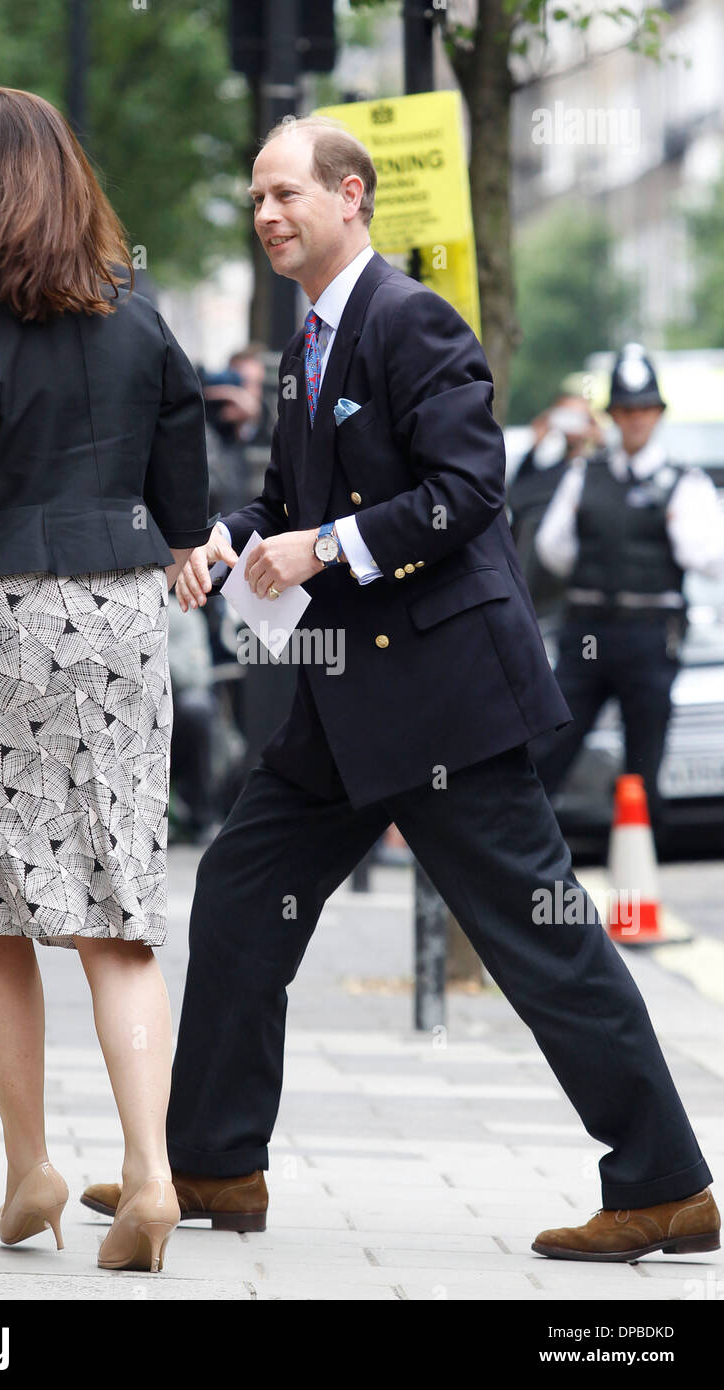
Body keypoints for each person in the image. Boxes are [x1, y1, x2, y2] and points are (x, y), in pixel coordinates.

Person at [81, 117, 718, 1263]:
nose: (266, 214)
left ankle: (664, 1183)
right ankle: (218, 1162)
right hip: (344, 705)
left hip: (444, 699)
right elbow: (284, 500)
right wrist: (228, 539)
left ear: (351, 196)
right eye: (256, 198)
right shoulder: (303, 344)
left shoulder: (411, 318)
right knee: (238, 889)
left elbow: (467, 491)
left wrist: (322, 549)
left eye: (285, 195)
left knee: (539, 932)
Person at [0, 86, 213, 1274]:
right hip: (120, 621)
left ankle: (30, 1169)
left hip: (1, 624)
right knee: (117, 912)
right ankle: (153, 1175)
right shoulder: (140, 313)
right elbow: (185, 510)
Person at [532, 344, 724, 837]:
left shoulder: (686, 483)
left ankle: (638, 875)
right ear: (613, 415)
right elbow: (554, 549)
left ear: (657, 414)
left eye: (644, 409)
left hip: (649, 633)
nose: (635, 420)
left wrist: (679, 529)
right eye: (626, 410)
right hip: (589, 631)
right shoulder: (585, 475)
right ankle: (530, 850)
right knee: (550, 750)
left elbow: (709, 558)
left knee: (644, 761)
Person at [507, 392, 602, 620]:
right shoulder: (545, 475)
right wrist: (536, 443)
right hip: (535, 591)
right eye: (565, 415)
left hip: (580, 595)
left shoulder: (598, 473)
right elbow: (518, 499)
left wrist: (600, 441)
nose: (572, 425)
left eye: (578, 417)